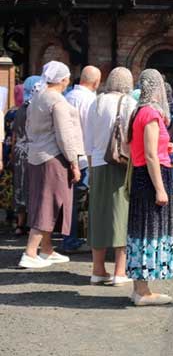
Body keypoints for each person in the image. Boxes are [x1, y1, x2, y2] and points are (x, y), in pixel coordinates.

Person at [20, 61, 84, 269]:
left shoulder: (37, 97)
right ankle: (30, 252)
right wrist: (74, 162)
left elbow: (29, 127)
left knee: (42, 201)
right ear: (63, 79)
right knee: (49, 203)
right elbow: (64, 135)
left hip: (35, 155)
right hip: (53, 157)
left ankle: (46, 249)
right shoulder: (57, 100)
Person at [126, 69, 173, 305]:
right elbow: (150, 155)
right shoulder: (151, 114)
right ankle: (143, 291)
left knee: (140, 231)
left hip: (140, 175)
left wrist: (168, 147)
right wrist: (160, 188)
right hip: (150, 177)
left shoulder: (138, 112)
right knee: (149, 231)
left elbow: (142, 149)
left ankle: (139, 288)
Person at [85, 67, 137, 286]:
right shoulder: (128, 103)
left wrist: (90, 164)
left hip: (97, 163)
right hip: (121, 163)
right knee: (121, 214)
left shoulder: (95, 102)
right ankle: (120, 270)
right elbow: (132, 137)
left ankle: (98, 269)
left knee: (98, 215)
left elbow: (87, 139)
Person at [63, 65, 101, 253]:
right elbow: (93, 131)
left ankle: (69, 237)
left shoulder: (68, 96)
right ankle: (79, 238)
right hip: (85, 156)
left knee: (70, 199)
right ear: (96, 82)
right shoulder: (91, 100)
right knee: (84, 199)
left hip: (67, 155)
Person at [9, 76, 42, 236]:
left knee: (20, 186)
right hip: (32, 149)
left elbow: (15, 134)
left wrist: (13, 154)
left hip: (20, 150)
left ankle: (19, 223)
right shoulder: (36, 108)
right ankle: (31, 223)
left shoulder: (20, 109)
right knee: (33, 186)